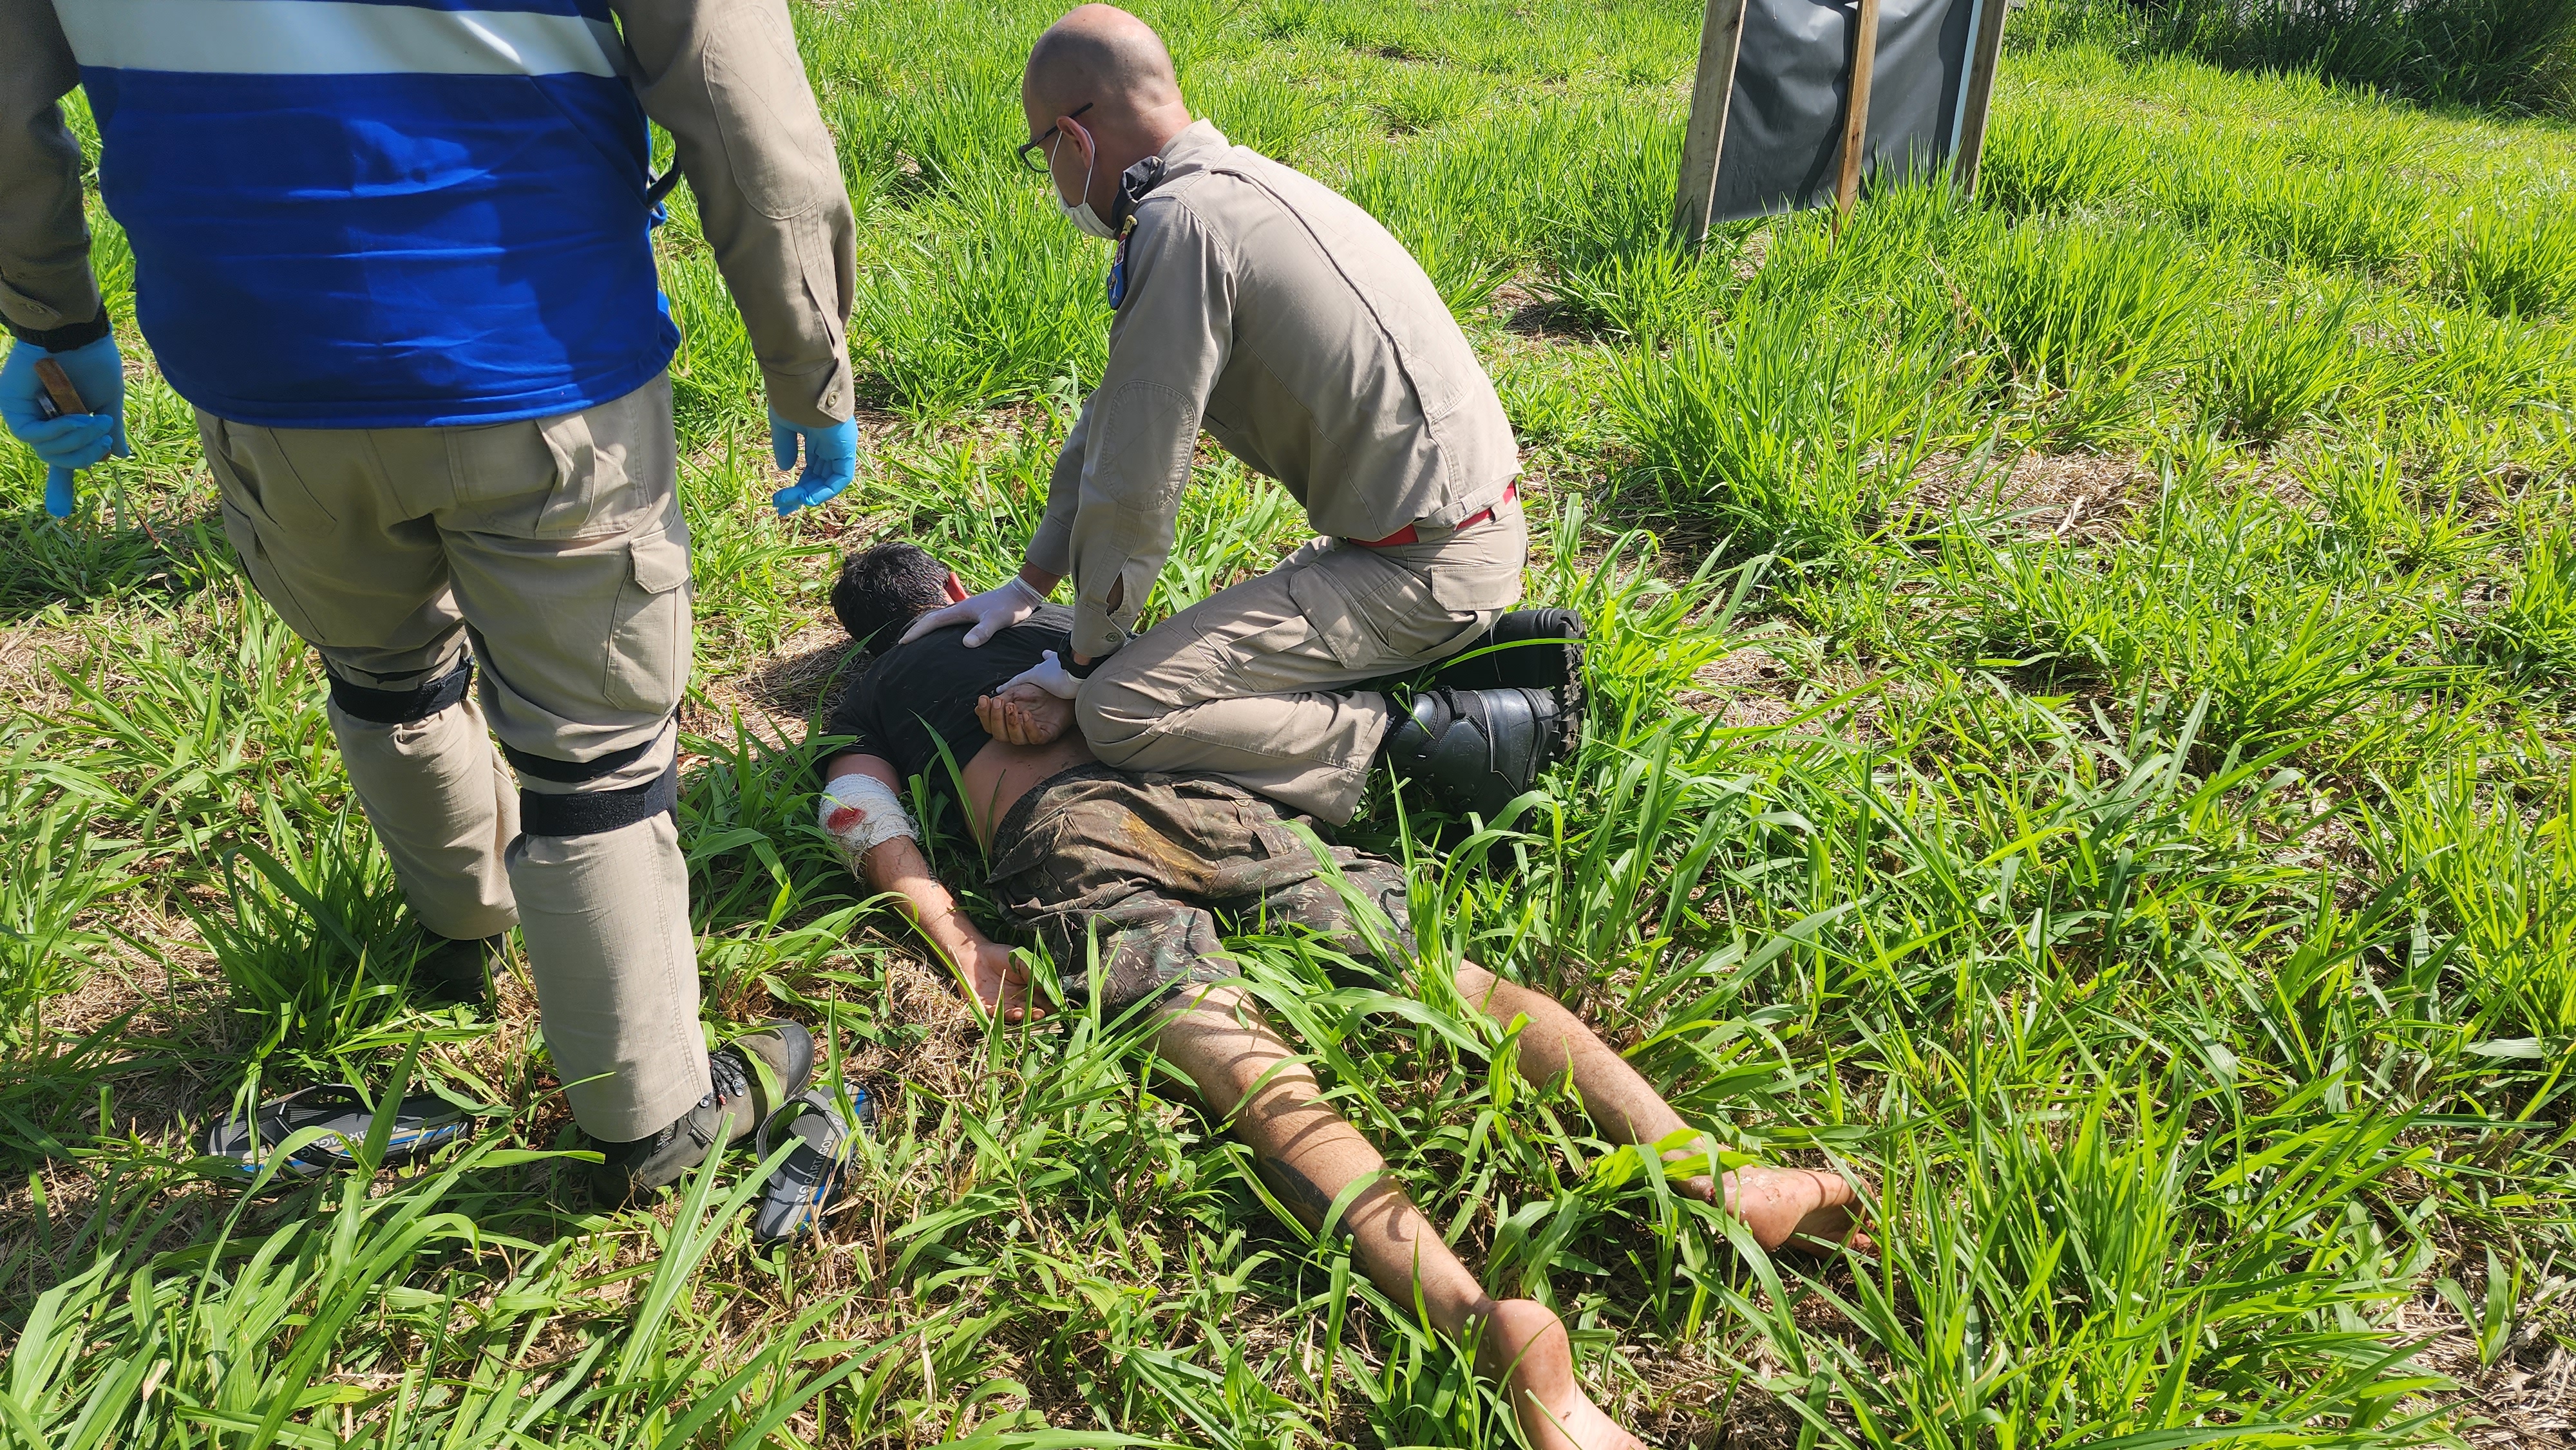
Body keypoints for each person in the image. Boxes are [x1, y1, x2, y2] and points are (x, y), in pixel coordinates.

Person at [0, 0, 862, 1199]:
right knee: (595, 756)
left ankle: (468, 929)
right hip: (543, 359)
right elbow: (739, 98)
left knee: (384, 667)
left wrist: (51, 319)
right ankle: (654, 1120)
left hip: (260, 371)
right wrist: (808, 360)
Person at [818, 542, 1865, 1450]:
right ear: (952, 582)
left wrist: (959, 937)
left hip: (1063, 826)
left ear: (868, 640)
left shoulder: (872, 688)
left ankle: (1470, 1317)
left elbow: (857, 805)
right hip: (1213, 787)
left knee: (1232, 1050)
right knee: (1453, 981)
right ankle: (1716, 1172)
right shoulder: (1040, 614)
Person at [902, 4, 1572, 826]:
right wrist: (1027, 583)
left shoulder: (1178, 228)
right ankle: (1477, 654)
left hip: (1421, 569)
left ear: (1074, 143)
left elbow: (1135, 480)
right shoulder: (1234, 188)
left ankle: (1447, 738)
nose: (1054, 178)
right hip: (1450, 531)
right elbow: (1115, 416)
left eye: (1043, 153)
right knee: (1169, 668)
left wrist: (1082, 662)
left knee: (1122, 711)